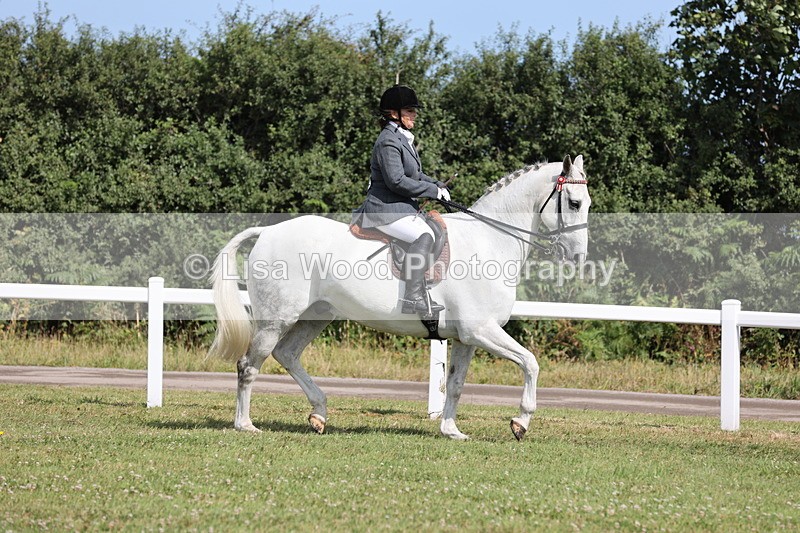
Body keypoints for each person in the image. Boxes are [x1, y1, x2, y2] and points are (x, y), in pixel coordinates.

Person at [352, 85, 450, 315]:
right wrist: (431, 191)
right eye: (409, 110)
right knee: (423, 235)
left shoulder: (402, 139)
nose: (415, 114)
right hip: (384, 209)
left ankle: (422, 289)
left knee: (435, 230)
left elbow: (414, 176)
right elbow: (396, 181)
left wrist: (436, 185)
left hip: (400, 208)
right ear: (394, 114)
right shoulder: (388, 141)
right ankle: (412, 297)